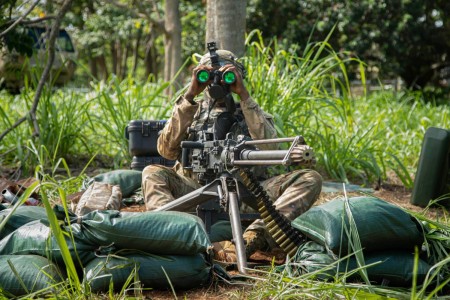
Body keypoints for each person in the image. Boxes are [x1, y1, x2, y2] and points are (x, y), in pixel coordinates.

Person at [141, 48, 322, 262]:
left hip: (246, 191)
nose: (217, 82)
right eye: (210, 75)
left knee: (310, 179)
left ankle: (252, 239)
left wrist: (244, 96)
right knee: (152, 173)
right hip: (194, 190)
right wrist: (190, 95)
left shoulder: (250, 112)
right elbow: (166, 150)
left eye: (225, 75)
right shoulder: (190, 111)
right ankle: (175, 232)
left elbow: (267, 150)